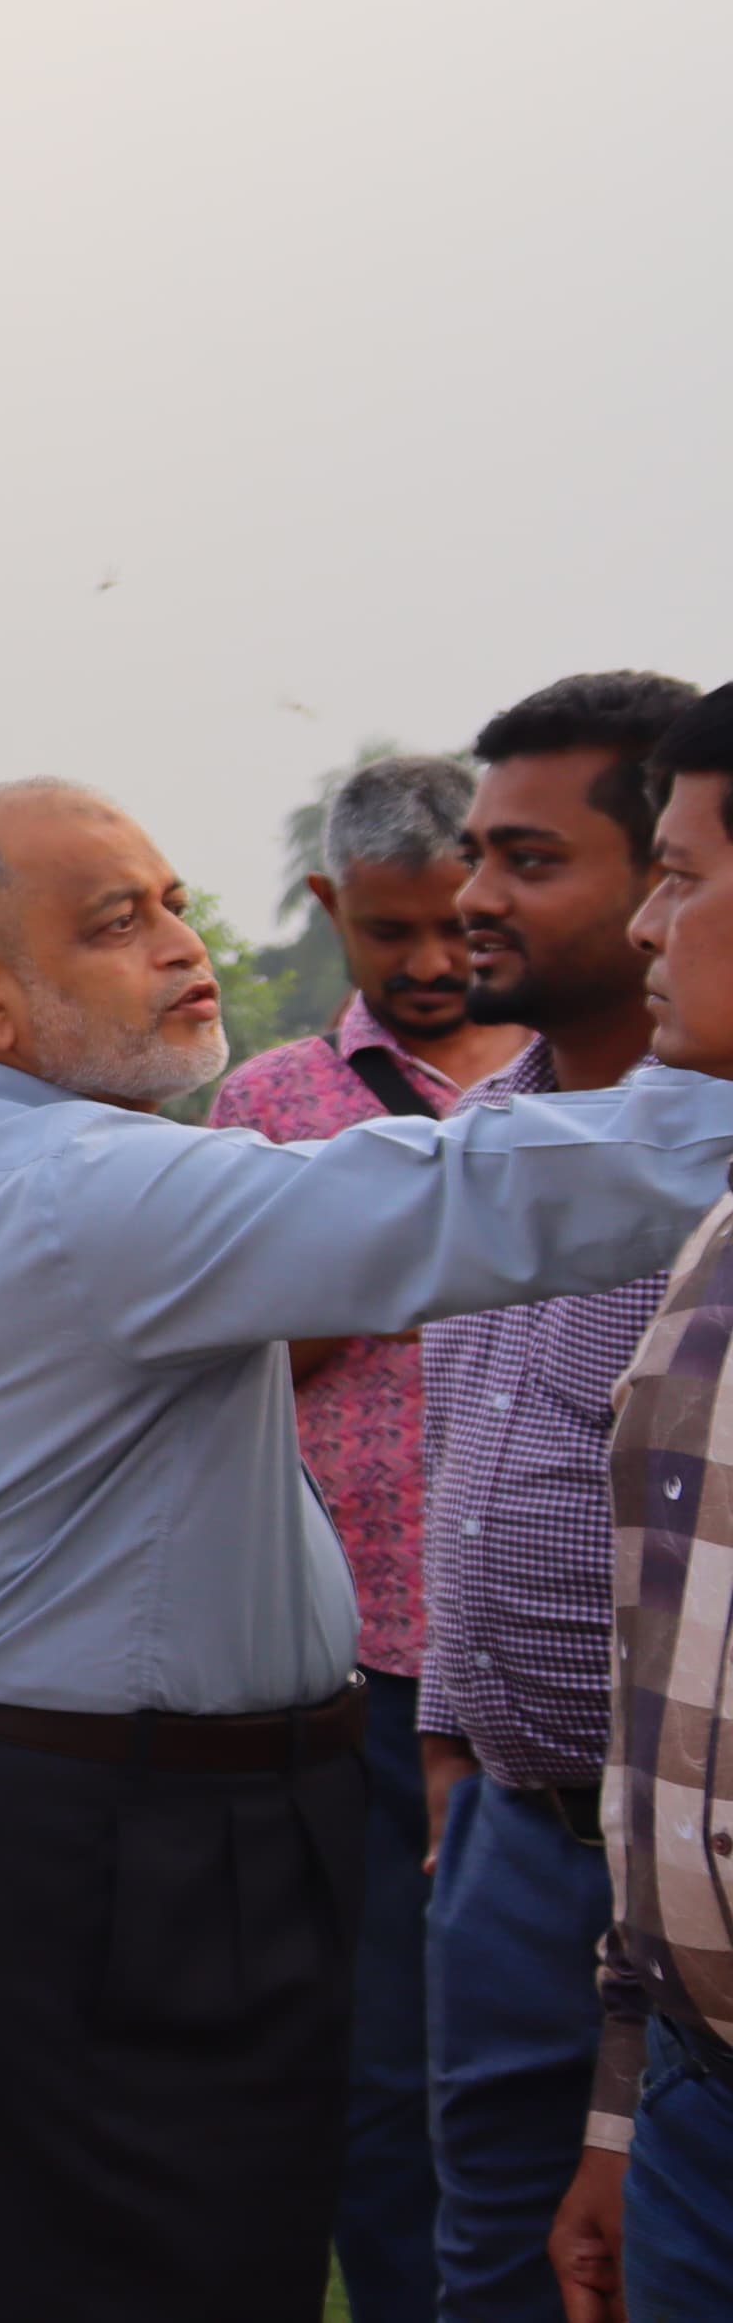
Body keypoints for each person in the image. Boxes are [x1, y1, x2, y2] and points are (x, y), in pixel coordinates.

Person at [0, 777, 733, 2322]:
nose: (185, 949)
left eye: (174, 900)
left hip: (125, 1825)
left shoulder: (23, 1168)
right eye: (118, 924)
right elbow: (465, 1198)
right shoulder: (77, 1188)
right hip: (116, 1845)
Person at [208, 749, 533, 2323]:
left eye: (452, 927)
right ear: (331, 906)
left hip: (560, 1669)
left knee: (564, 2045)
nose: (425, 965)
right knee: (384, 2063)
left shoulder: (580, 1083)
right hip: (364, 1674)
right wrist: (347, 1271)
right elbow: (228, 1374)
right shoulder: (269, 1105)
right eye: (386, 931)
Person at [409, 674, 701, 2322]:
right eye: (474, 852)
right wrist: (454, 1732)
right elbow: (469, 1452)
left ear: (664, 870)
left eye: (529, 858)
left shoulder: (708, 1165)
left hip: (679, 1858)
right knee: (493, 2262)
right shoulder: (482, 1133)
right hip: (513, 1828)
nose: (474, 897)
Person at [547, 682, 733, 2318]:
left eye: (679, 874)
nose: (647, 922)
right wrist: (624, 2108)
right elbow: (664, 1723)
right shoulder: (711, 1246)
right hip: (693, 2090)